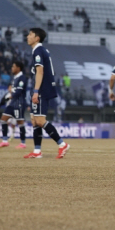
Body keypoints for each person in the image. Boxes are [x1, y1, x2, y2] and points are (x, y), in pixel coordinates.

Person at [24, 27, 70, 159]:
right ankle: (37, 151)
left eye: (30, 34)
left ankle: (62, 144)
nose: (28, 36)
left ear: (37, 38)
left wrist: (36, 91)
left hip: (42, 89)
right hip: (42, 87)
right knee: (34, 120)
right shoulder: (40, 50)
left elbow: (40, 71)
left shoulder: (38, 51)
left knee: (39, 120)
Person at [0, 60, 28, 150]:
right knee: (3, 119)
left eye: (13, 66)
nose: (12, 68)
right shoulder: (15, 78)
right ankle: (5, 141)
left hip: (19, 103)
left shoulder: (22, 78)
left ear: (18, 68)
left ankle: (23, 143)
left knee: (20, 123)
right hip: (12, 103)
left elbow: (19, 91)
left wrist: (11, 96)